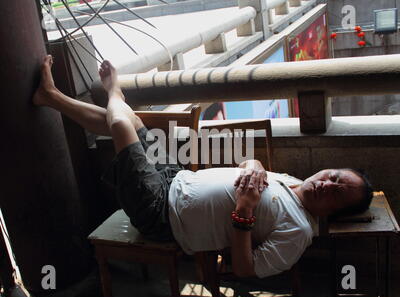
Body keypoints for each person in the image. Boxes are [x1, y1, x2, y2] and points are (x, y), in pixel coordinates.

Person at [34, 56, 373, 278]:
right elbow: (247, 169)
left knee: (121, 124)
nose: (328, 185)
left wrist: (243, 213)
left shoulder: (298, 232)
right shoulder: (292, 182)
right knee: (129, 123)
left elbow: (245, 270)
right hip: (173, 178)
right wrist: (254, 163)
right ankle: (48, 97)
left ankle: (114, 92)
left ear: (332, 214)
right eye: (334, 178)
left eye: (336, 194)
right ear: (326, 169)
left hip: (162, 215)